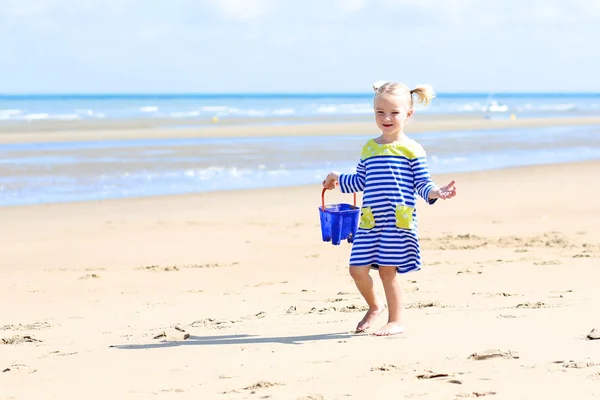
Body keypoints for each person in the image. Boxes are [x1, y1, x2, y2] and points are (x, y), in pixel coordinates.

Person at [322, 80, 457, 336]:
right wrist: (337, 177)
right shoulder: (369, 148)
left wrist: (437, 192)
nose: (386, 118)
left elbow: (422, 183)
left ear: (408, 114)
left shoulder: (412, 149)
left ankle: (396, 320)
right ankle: (375, 306)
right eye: (380, 112)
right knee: (357, 269)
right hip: (370, 221)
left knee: (387, 271)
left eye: (394, 112)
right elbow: (360, 181)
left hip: (398, 221)